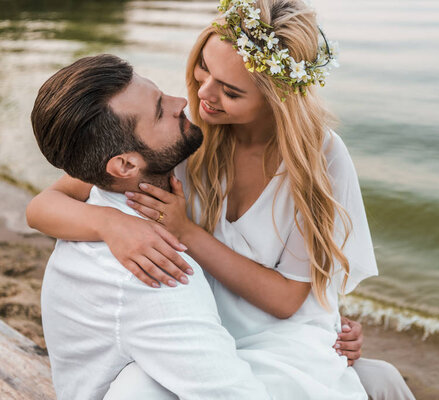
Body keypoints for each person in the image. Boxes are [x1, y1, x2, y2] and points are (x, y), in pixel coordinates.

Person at [28, 0, 415, 399]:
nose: (204, 95)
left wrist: (186, 233)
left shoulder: (316, 161)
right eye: (203, 68)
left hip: (277, 335)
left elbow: (285, 300)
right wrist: (111, 224)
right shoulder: (184, 139)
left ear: (275, 96)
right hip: (201, 332)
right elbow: (41, 207)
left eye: (229, 91)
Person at [31, 54, 271, 400]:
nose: (183, 101)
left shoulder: (100, 197)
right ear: (125, 164)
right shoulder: (154, 274)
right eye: (161, 110)